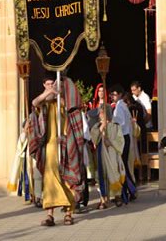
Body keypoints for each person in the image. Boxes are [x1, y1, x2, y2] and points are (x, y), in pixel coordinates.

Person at [30, 75, 84, 226]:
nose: (50, 87)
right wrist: (49, 92)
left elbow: (72, 110)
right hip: (50, 146)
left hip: (66, 144)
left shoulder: (62, 103)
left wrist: (59, 95)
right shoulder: (46, 104)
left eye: (52, 84)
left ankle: (68, 213)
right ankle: (50, 214)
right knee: (50, 180)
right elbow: (35, 102)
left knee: (67, 178)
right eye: (47, 85)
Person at [90, 107, 125, 209]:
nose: (100, 115)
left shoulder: (115, 126)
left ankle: (117, 196)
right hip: (101, 154)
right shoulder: (97, 126)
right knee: (102, 175)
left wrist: (111, 143)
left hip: (112, 154)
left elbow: (120, 140)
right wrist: (101, 128)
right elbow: (94, 139)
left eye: (103, 113)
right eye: (100, 113)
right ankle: (103, 199)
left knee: (114, 173)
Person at [110, 84, 137, 201]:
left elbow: (120, 123)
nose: (112, 96)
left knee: (123, 165)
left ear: (120, 94)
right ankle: (129, 190)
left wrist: (111, 122)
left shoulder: (120, 107)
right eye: (111, 94)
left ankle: (130, 190)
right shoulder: (122, 105)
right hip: (124, 137)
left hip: (123, 138)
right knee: (123, 165)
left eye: (114, 94)